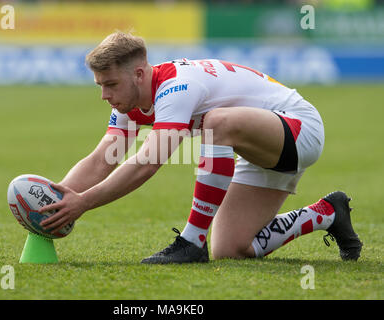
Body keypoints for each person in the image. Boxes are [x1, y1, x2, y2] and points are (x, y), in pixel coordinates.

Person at [39, 31, 362, 263]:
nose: (105, 95)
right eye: (100, 86)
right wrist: (58, 200)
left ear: (139, 74)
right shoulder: (130, 101)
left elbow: (150, 161)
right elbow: (100, 160)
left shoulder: (177, 86)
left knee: (216, 121)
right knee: (233, 248)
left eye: (111, 85)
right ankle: (327, 213)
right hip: (257, 148)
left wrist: (83, 204)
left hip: (298, 128)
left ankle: (192, 242)